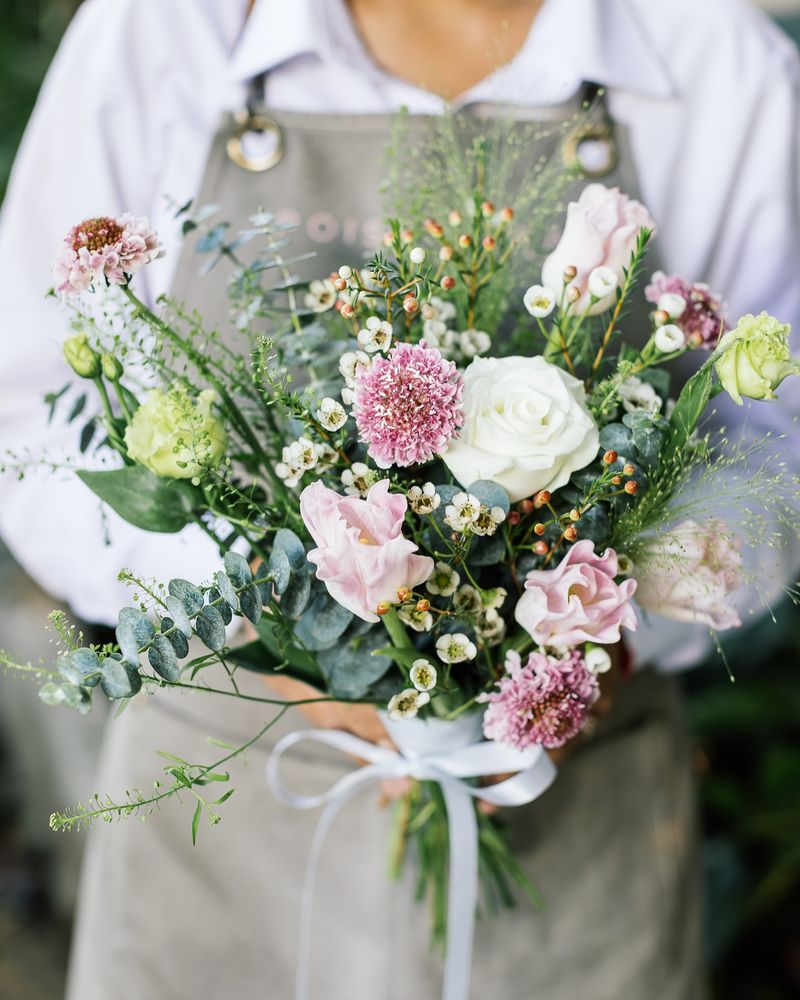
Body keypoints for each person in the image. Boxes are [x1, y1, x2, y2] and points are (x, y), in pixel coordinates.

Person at [0, 0, 798, 997]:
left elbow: (775, 449)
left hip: (572, 826)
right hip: (218, 827)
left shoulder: (717, 65)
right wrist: (280, 609)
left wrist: (586, 623)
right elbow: (28, 409)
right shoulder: (165, 31)